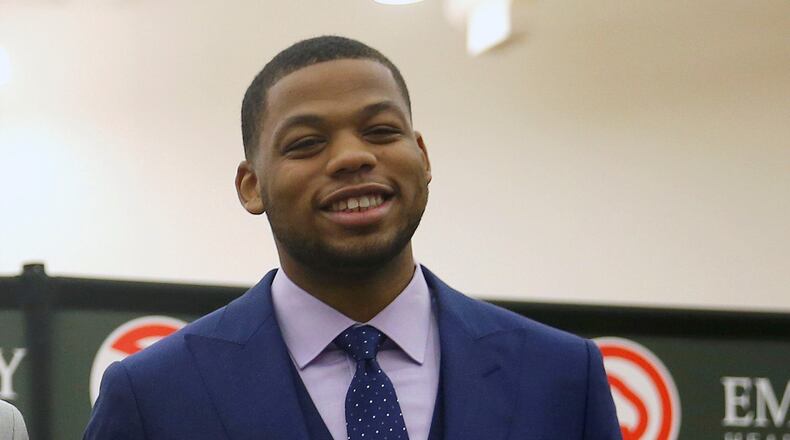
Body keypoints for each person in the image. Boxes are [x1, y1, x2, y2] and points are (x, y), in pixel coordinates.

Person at [84, 36, 620, 440]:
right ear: (251, 187)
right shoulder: (153, 395)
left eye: (381, 131)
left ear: (423, 157)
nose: (352, 157)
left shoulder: (561, 375)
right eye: (307, 142)